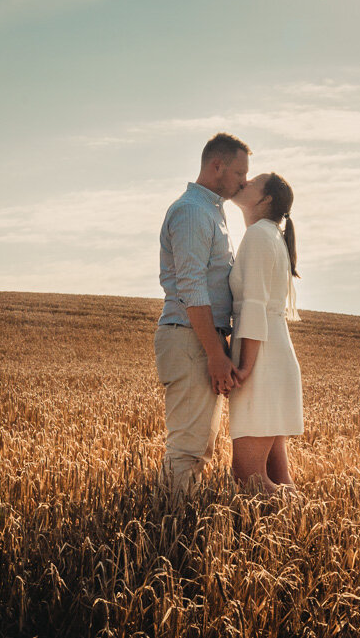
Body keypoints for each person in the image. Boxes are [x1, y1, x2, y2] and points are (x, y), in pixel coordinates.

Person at [154, 132, 251, 494]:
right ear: (217, 165)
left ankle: (174, 528)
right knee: (188, 451)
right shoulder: (194, 212)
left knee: (199, 449)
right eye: (240, 173)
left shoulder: (210, 211)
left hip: (197, 337)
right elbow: (192, 288)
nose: (244, 181)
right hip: (189, 337)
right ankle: (170, 536)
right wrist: (214, 353)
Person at [226, 172, 303, 494]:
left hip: (262, 361)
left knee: (250, 479)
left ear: (266, 199)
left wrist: (245, 366)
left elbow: (254, 306)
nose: (243, 183)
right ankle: (309, 527)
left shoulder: (258, 235)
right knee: (277, 477)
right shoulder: (271, 235)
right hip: (276, 356)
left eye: (252, 182)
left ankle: (316, 525)